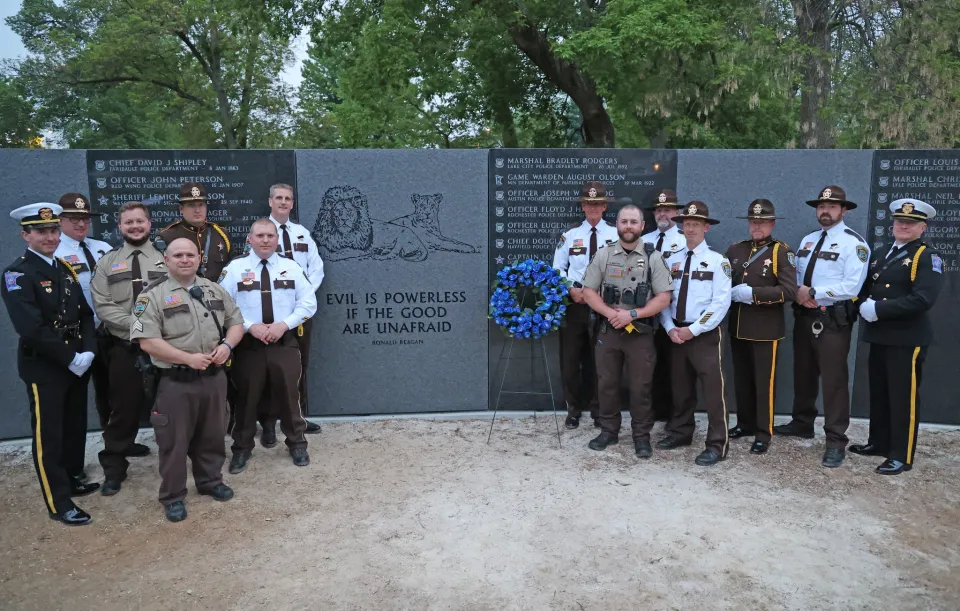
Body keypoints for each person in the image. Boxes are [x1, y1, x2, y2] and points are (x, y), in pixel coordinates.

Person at [130, 238, 244, 522]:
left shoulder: (213, 289)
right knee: (174, 442)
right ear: (166, 261)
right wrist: (186, 358)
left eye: (189, 255)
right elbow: (147, 342)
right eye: (177, 255)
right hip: (176, 381)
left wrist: (227, 346)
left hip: (213, 377)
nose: (184, 259)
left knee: (214, 433)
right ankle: (173, 496)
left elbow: (236, 323)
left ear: (199, 258)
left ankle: (210, 481)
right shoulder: (151, 296)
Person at [1, 203, 100, 525]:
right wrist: (69, 357)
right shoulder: (17, 274)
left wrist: (87, 351)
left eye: (54, 230)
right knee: (49, 436)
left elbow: (85, 314)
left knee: (73, 428)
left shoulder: (64, 268)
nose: (50, 237)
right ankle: (58, 502)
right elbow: (30, 328)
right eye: (42, 231)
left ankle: (71, 478)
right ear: (25, 234)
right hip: (46, 367)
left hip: (76, 362)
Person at [774, 186, 869, 468]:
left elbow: (852, 286)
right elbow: (796, 276)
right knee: (803, 374)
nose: (824, 211)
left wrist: (813, 293)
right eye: (821, 207)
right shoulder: (808, 240)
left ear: (844, 210)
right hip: (804, 316)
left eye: (831, 206)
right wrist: (801, 293)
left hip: (832, 321)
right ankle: (802, 423)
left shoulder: (855, 245)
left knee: (833, 381)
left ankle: (836, 440)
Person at [851, 198, 943, 474]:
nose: (903, 226)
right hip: (879, 335)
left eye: (911, 223)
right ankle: (879, 443)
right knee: (880, 393)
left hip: (907, 339)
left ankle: (901, 455)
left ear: (922, 227)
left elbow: (922, 299)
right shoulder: (881, 253)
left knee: (903, 397)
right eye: (900, 221)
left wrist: (878, 309)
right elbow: (864, 287)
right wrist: (861, 304)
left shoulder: (926, 257)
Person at [220, 219, 318, 472]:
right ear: (249, 239)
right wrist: (250, 325)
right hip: (248, 345)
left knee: (289, 395)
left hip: (283, 342)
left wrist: (283, 325)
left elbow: (308, 304)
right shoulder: (234, 269)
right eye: (260, 235)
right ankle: (241, 450)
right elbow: (223, 304)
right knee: (246, 398)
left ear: (276, 239)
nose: (265, 240)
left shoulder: (292, 267)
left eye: (270, 236)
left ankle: (297, 444)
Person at [580, 205, 673, 457]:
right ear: (617, 225)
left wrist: (632, 314)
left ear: (643, 226)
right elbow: (588, 291)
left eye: (634, 222)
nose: (629, 226)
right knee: (606, 383)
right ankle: (608, 431)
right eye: (624, 221)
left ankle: (641, 436)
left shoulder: (654, 257)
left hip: (640, 334)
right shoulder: (604, 255)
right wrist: (612, 314)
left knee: (641, 386)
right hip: (608, 331)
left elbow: (664, 297)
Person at [90, 202, 167, 495]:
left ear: (149, 224)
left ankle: (176, 463)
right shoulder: (107, 263)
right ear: (119, 227)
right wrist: (139, 329)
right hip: (124, 347)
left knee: (170, 406)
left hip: (163, 348)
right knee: (122, 410)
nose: (135, 226)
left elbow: (177, 297)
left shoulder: (165, 259)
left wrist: (154, 331)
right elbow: (104, 306)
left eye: (140, 221)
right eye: (128, 222)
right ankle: (114, 468)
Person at [658, 201, 733, 466]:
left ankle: (716, 444)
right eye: (687, 224)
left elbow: (720, 303)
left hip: (705, 335)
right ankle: (680, 433)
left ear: (706, 227)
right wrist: (670, 328)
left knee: (714, 392)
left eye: (696, 224)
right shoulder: (672, 259)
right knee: (681, 389)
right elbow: (664, 298)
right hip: (677, 332)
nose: (690, 228)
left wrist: (693, 330)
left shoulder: (717, 261)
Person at [724, 199, 797, 454]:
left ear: (772, 224)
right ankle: (744, 423)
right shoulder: (735, 250)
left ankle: (763, 433)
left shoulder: (781, 252)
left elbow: (789, 291)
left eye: (762, 222)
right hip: (738, 326)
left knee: (764, 383)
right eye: (753, 222)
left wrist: (753, 294)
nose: (757, 226)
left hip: (766, 330)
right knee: (742, 379)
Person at [257, 183, 325, 443]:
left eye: (288, 198)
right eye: (279, 198)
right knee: (268, 368)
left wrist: (303, 295)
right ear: (270, 201)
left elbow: (316, 268)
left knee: (299, 365)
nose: (283, 202)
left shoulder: (301, 233)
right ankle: (268, 422)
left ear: (292, 203)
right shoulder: (261, 231)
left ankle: (297, 417)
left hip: (300, 313)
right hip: (270, 314)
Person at [552, 180, 619, 430]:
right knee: (570, 360)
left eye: (597, 204)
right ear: (582, 206)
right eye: (588, 204)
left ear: (604, 207)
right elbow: (557, 268)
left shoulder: (615, 235)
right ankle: (573, 408)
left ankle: (599, 408)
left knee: (601, 359)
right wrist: (571, 288)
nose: (592, 208)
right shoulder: (569, 236)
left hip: (604, 305)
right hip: (575, 304)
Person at [52, 193, 115, 434]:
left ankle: (118, 442)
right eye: (74, 218)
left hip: (109, 331)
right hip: (78, 335)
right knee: (75, 394)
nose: (81, 224)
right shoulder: (54, 253)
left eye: (85, 218)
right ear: (60, 220)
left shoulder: (103, 248)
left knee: (115, 390)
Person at [642, 189, 685, 422]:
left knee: (673, 368)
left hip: (674, 312)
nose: (662, 214)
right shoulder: (645, 240)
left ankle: (673, 415)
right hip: (646, 314)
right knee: (649, 366)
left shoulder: (684, 240)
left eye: (667, 209)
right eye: (659, 210)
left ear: (677, 213)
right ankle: (654, 411)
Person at [158, 182, 231, 282]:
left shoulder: (221, 234)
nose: (197, 210)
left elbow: (232, 270)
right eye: (191, 205)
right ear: (181, 209)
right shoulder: (167, 237)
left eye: (201, 205)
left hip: (217, 295)